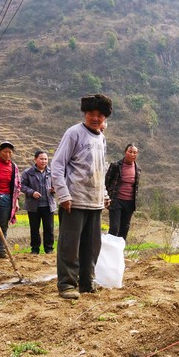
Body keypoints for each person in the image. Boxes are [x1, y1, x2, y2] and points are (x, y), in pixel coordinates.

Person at [51, 93, 112, 300]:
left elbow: (100, 169)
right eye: (91, 114)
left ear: (105, 118)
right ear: (85, 114)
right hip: (74, 200)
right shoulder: (74, 133)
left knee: (92, 246)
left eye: (100, 115)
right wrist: (63, 194)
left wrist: (103, 194)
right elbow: (57, 165)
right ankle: (67, 284)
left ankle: (87, 282)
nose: (95, 118)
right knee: (70, 245)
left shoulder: (101, 138)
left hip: (94, 201)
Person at [20, 149, 57, 254]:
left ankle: (49, 249)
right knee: (34, 229)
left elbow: (58, 184)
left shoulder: (52, 172)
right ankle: (35, 249)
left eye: (45, 159)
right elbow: (22, 186)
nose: (44, 161)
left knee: (49, 229)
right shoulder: (28, 172)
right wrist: (32, 192)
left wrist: (55, 189)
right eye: (41, 159)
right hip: (33, 205)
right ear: (35, 159)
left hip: (48, 205)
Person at [105, 144, 141, 240]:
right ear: (125, 152)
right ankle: (109, 251)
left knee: (124, 229)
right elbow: (106, 182)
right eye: (130, 151)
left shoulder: (138, 169)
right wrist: (107, 198)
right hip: (116, 201)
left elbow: (135, 187)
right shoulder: (115, 166)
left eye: (134, 152)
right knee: (114, 228)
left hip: (129, 202)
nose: (132, 154)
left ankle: (119, 252)